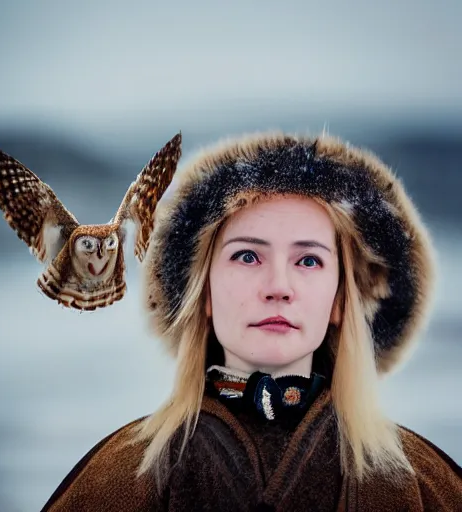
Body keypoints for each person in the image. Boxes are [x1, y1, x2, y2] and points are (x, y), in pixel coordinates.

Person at [41, 131, 462, 511]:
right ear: (203, 292)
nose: (278, 286)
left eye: (309, 260)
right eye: (247, 255)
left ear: (340, 300)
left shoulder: (427, 489)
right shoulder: (111, 483)